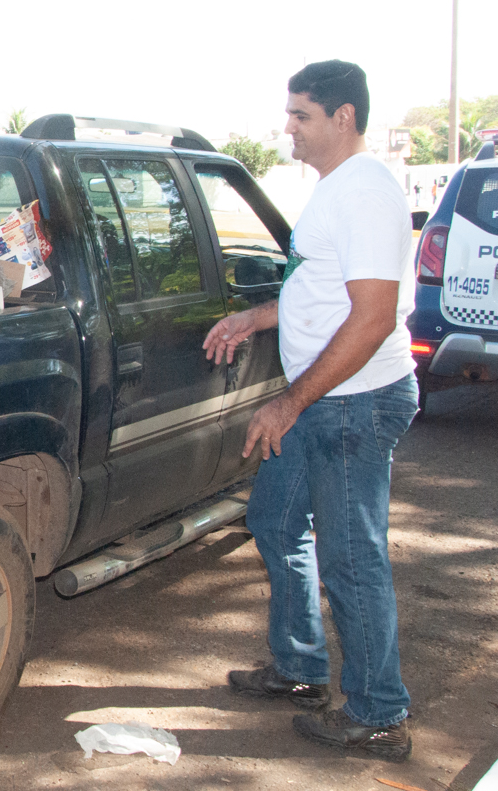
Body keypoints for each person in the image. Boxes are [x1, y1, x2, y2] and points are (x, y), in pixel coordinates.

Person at [205, 60, 419, 762]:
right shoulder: (337, 190)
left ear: (343, 118)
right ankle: (300, 668)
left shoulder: (365, 193)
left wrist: (290, 401)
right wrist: (259, 318)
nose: (288, 128)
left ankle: (378, 713)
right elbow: (320, 292)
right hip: (325, 401)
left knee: (352, 558)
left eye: (300, 115)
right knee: (274, 519)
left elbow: (373, 319)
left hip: (351, 407)